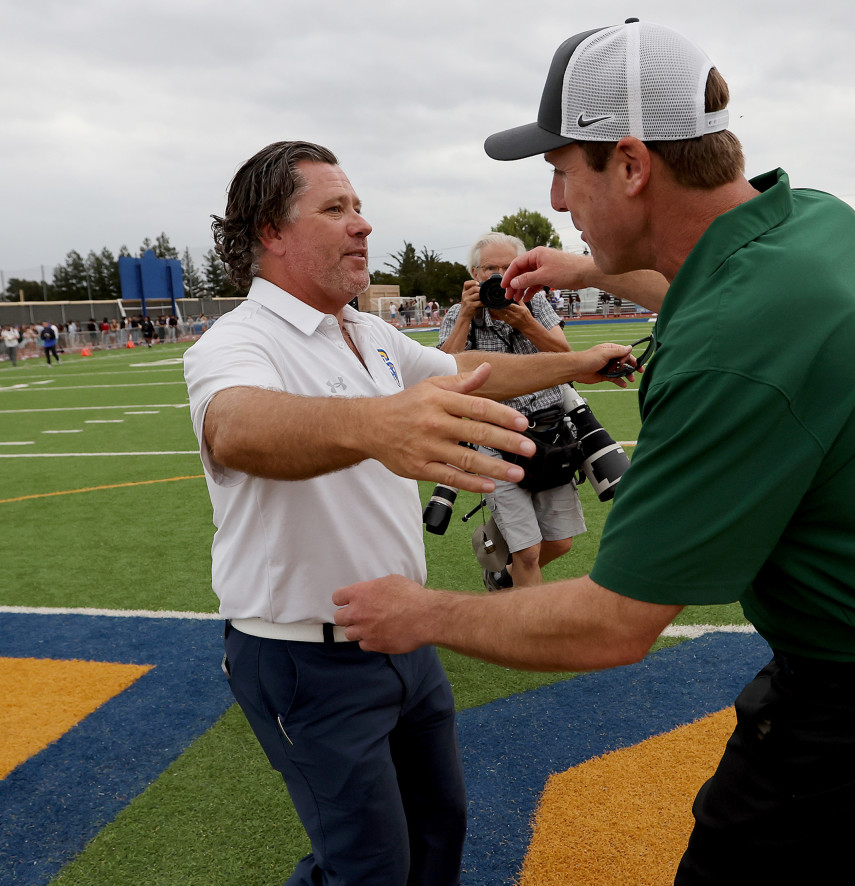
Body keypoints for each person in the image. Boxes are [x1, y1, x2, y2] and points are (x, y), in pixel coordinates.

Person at [333, 20, 855, 886]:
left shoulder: (732, 349)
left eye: (563, 168)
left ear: (630, 165)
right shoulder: (815, 221)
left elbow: (613, 623)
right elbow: (711, 272)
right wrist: (589, 271)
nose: (556, 199)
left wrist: (421, 614)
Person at [184, 140, 632, 886]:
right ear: (271, 231)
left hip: (405, 632)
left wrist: (578, 363)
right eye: (335, 209)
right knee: (368, 868)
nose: (362, 224)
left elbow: (465, 372)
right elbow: (234, 427)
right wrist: (373, 425)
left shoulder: (365, 331)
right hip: (306, 655)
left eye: (358, 205)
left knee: (435, 836)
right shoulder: (237, 341)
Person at [439, 232, 586, 590]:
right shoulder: (461, 313)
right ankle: (532, 636)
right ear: (475, 273)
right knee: (527, 552)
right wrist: (465, 318)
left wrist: (525, 323)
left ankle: (502, 578)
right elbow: (441, 369)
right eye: (491, 267)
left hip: (549, 435)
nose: (499, 275)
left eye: (508, 268)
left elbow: (567, 358)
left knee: (561, 542)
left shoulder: (535, 304)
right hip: (496, 440)